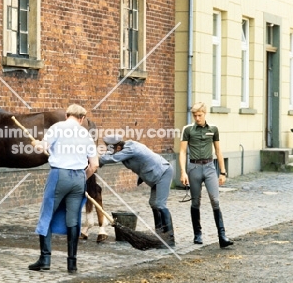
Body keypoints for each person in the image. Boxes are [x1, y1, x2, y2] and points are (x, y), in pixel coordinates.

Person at [28, 104, 99, 273]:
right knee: (73, 220)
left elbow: (42, 148)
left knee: (47, 214)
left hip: (59, 176)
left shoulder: (57, 127)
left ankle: (45, 260)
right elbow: (94, 164)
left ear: (67, 115)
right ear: (82, 119)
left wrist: (36, 143)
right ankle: (72, 264)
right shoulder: (86, 134)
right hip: (79, 178)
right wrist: (83, 178)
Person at [99, 135, 175, 246]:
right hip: (155, 175)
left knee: (160, 204)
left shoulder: (131, 149)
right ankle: (160, 234)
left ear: (118, 148)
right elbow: (110, 155)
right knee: (153, 203)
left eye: (111, 148)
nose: (110, 151)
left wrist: (97, 160)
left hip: (163, 173)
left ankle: (170, 238)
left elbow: (113, 158)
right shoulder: (125, 147)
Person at [179, 102, 234, 248]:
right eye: (194, 115)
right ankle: (197, 234)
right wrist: (183, 171)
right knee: (195, 201)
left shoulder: (213, 129)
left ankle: (222, 236)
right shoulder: (188, 130)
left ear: (205, 114)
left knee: (215, 200)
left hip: (209, 167)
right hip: (194, 168)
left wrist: (222, 172)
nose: (197, 118)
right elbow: (183, 151)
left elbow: (218, 150)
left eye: (200, 115)